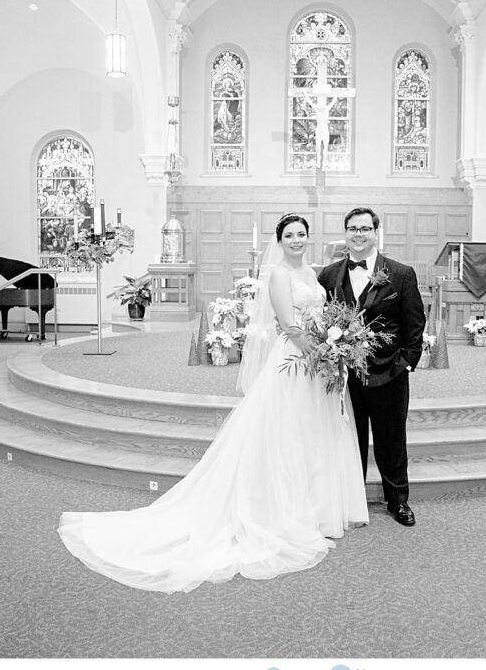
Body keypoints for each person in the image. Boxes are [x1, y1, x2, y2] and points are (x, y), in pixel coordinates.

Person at [58, 213, 368, 593]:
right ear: (279, 240)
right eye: (289, 235)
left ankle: (318, 512)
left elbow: (322, 314)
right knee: (288, 434)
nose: (297, 240)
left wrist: (332, 350)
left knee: (314, 435)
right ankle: (284, 513)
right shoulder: (278, 275)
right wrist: (323, 350)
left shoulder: (313, 275)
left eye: (302, 234)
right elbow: (289, 325)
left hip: (318, 365)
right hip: (296, 361)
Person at [317, 207, 426, 527]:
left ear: (376, 232)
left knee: (391, 438)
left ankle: (398, 501)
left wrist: (405, 364)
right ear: (345, 233)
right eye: (352, 228)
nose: (358, 234)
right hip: (344, 374)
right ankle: (352, 501)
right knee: (350, 438)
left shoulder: (401, 273)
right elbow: (322, 320)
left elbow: (414, 324)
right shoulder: (328, 274)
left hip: (389, 372)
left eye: (365, 228)